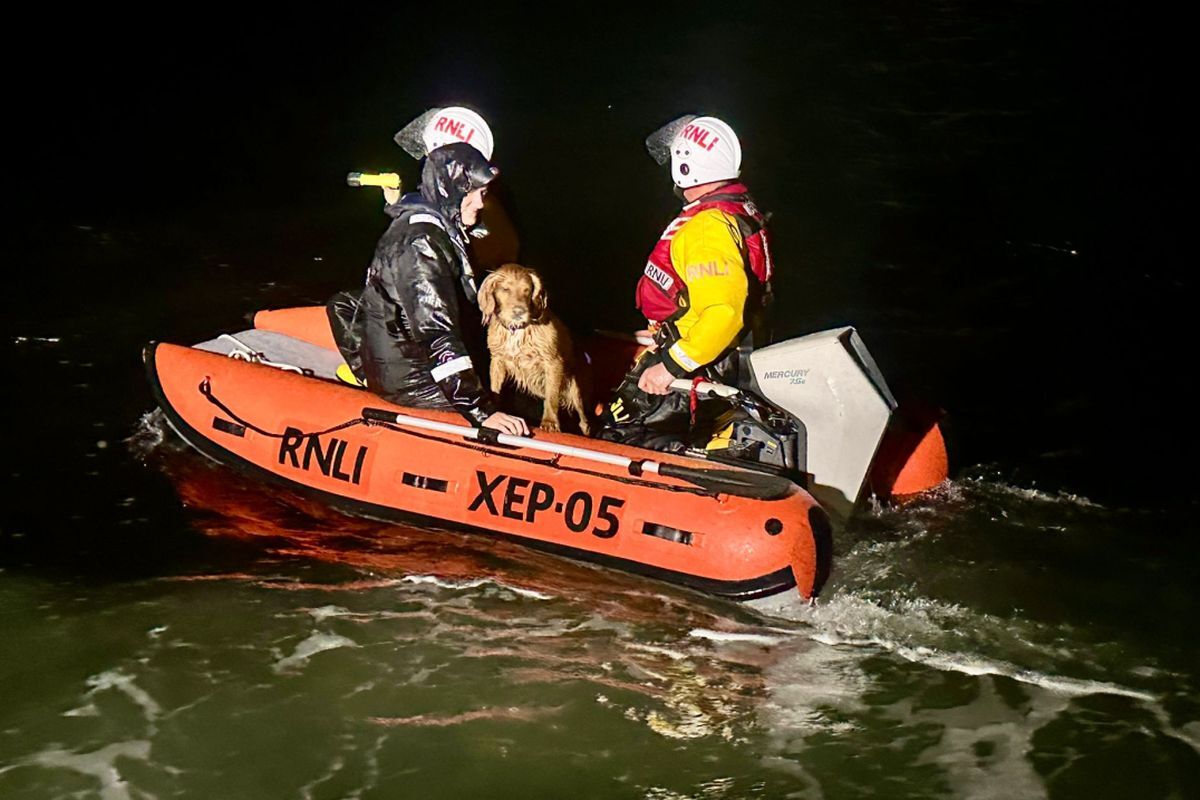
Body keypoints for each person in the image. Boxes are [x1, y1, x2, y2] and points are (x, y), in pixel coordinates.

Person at [597, 115, 774, 452]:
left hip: (703, 363)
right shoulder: (735, 211)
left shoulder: (707, 228)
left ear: (686, 168)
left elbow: (723, 312)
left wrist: (671, 365)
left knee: (620, 434)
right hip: (713, 352)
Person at [352, 141, 528, 435]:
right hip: (413, 378)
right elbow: (436, 332)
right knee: (521, 409)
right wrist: (480, 410)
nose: (481, 204)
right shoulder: (422, 243)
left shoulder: (430, 226)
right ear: (451, 192)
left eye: (484, 194)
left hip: (403, 358)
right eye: (475, 195)